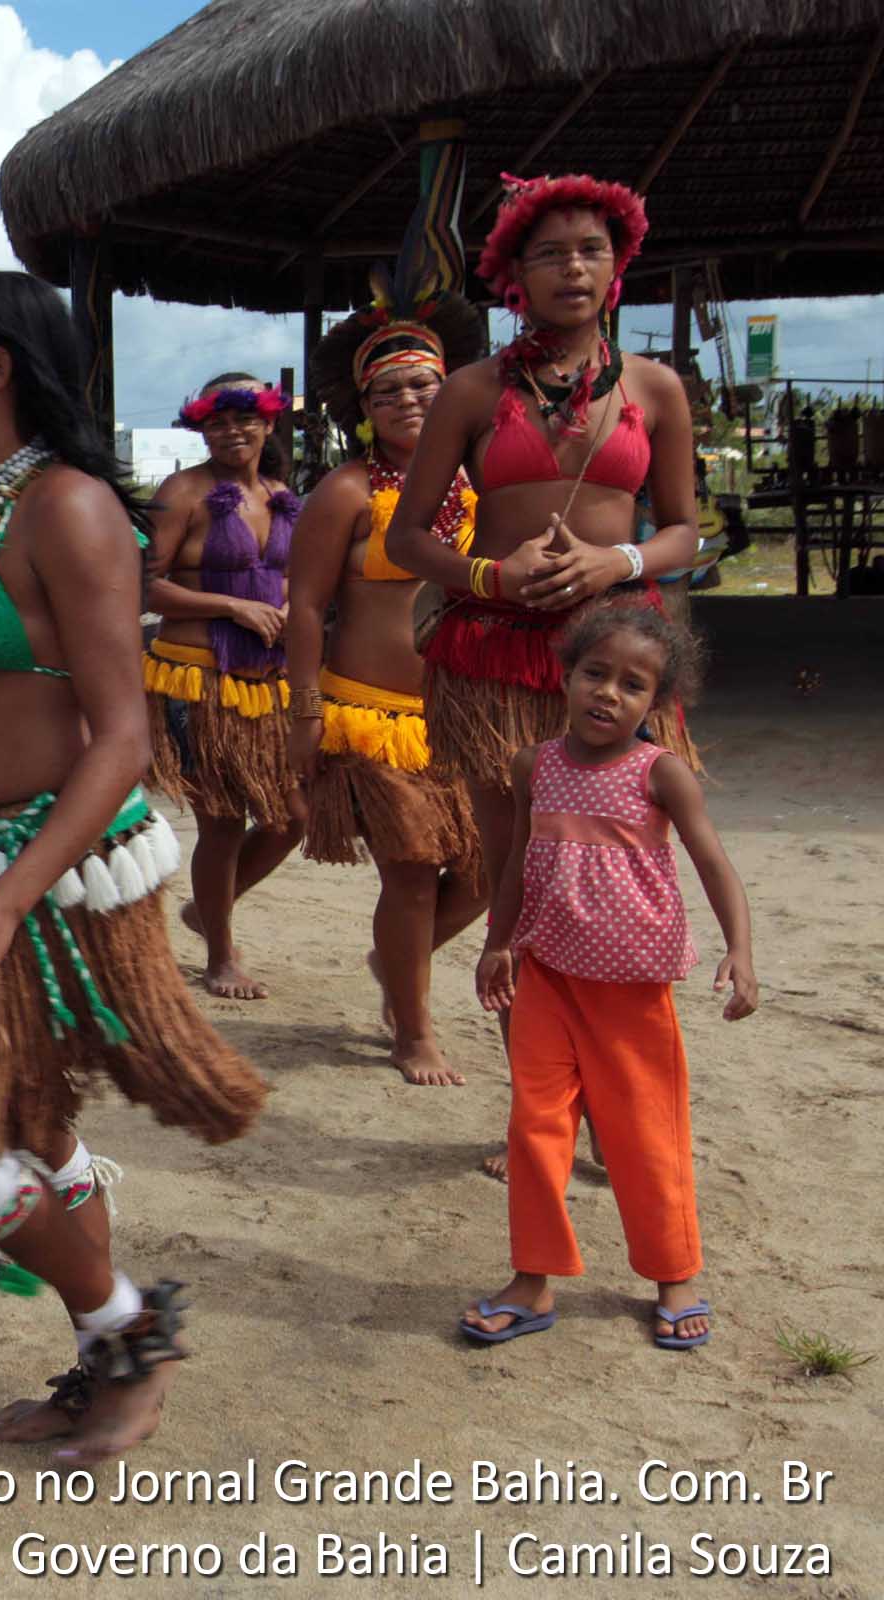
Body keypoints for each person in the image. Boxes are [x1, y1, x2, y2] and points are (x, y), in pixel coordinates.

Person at [0, 257, 268, 1465]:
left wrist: (2, 901)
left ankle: (130, 1332)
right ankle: (108, 1358)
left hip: (50, 877)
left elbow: (124, 736)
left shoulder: (71, 506)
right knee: (27, 1122)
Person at [381, 172, 701, 1176]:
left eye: (591, 250)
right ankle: (543, 1115)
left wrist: (622, 562)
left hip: (616, 655)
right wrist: (488, 569)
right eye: (551, 251)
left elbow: (687, 530)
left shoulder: (655, 389)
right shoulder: (474, 391)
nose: (574, 266)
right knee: (519, 879)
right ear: (512, 275)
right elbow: (408, 533)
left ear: (617, 269)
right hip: (498, 655)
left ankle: (608, 1108)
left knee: (616, 871)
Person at [460, 606, 753, 1349]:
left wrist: (739, 950)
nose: (608, 695)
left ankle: (673, 1273)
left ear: (655, 704)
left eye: (633, 685)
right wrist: (498, 944)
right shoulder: (536, 765)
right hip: (548, 978)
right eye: (596, 674)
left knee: (644, 1135)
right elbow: (522, 864)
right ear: (565, 676)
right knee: (534, 1127)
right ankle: (533, 1279)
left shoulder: (661, 775)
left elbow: (712, 862)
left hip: (631, 992)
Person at [287, 284, 490, 1085]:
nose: (408, 399)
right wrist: (304, 712)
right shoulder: (345, 491)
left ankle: (393, 964)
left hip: (464, 714)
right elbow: (304, 605)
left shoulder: (482, 484)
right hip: (367, 713)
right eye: (389, 390)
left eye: (424, 385)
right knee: (409, 870)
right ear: (364, 406)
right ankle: (414, 1029)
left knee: (481, 872)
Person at [142, 375, 305, 999]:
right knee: (222, 820)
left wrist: (290, 605)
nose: (232, 432)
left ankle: (211, 909)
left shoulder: (282, 494)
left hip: (265, 680)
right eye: (217, 423)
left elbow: (290, 578)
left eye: (245, 420)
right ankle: (221, 955)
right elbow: (144, 585)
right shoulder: (183, 491)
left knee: (292, 819)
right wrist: (230, 608)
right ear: (201, 429)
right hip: (195, 675)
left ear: (268, 425)